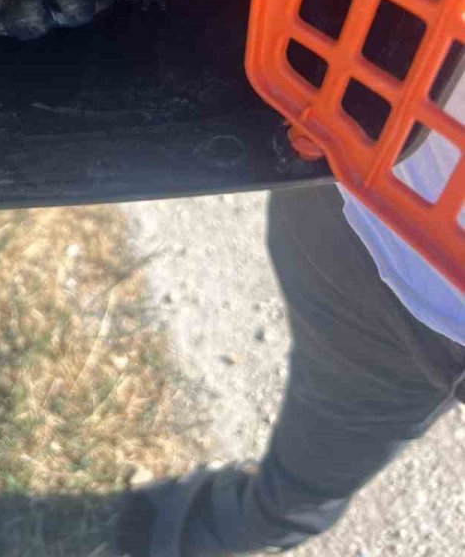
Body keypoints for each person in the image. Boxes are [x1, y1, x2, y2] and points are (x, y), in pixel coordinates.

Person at [115, 84, 465, 556]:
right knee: (327, 437)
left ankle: (215, 530)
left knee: (330, 431)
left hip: (368, 173)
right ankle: (221, 530)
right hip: (367, 191)